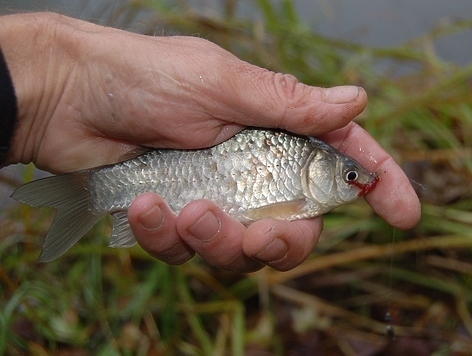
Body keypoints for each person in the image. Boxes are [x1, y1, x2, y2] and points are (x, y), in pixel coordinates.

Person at [0, 12, 420, 272]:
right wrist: (55, 77)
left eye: (352, 176)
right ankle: (92, 194)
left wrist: (54, 78)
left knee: (223, 233)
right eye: (348, 175)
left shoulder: (303, 171)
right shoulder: (299, 185)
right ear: (318, 172)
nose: (353, 182)